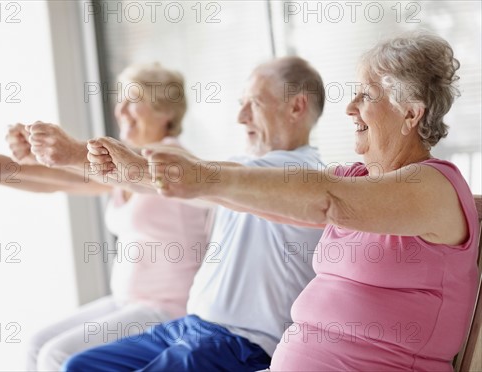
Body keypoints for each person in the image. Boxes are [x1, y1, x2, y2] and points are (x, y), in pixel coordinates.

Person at [128, 32, 479, 371]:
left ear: (410, 113)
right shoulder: (357, 178)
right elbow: (268, 200)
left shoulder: (432, 185)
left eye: (366, 96)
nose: (350, 108)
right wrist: (144, 172)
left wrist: (200, 177)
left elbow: (324, 198)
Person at [63, 56, 326, 371]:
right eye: (241, 104)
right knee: (80, 366)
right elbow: (174, 184)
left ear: (296, 107)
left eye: (253, 104)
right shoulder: (244, 166)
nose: (241, 117)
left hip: (241, 343)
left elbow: (187, 178)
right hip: (192, 325)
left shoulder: (300, 174)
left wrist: (97, 159)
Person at [0, 63, 211, 371]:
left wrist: (47, 157)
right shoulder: (125, 169)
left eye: (133, 101)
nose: (121, 110)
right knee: (37, 345)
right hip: (127, 300)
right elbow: (63, 181)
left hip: (168, 308)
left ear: (165, 111)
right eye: (120, 100)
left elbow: (79, 173)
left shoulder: (174, 161)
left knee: (56, 356)